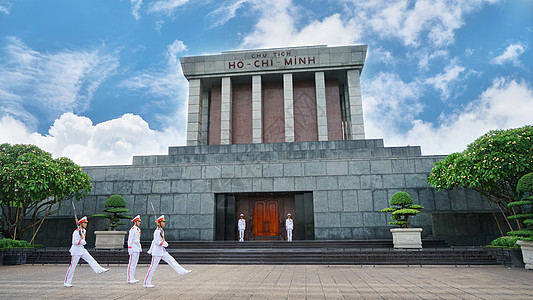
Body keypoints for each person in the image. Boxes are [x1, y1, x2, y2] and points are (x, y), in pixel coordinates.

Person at [143, 215, 191, 288]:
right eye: (163, 222)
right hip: (157, 252)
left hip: (162, 251)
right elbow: (156, 241)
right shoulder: (157, 231)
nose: (164, 223)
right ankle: (146, 282)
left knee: (171, 260)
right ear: (159, 223)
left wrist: (163, 244)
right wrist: (163, 243)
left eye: (164, 222)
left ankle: (181, 271)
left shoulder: (161, 230)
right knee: (153, 267)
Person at [64, 216, 109, 287]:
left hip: (81, 249)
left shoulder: (83, 231)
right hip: (76, 250)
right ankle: (67, 282)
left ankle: (99, 269)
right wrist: (81, 241)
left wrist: (82, 241)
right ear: (81, 223)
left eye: (86, 223)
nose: (86, 224)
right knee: (72, 266)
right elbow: (74, 242)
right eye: (84, 223)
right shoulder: (76, 232)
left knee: (90, 258)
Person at [127, 215, 142, 283]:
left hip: (137, 248)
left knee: (134, 264)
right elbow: (129, 240)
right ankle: (129, 278)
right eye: (138, 221)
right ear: (135, 222)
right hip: (133, 248)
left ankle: (132, 277)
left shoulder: (138, 229)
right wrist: (129, 249)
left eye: (139, 221)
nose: (139, 222)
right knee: (131, 264)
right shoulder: (132, 230)